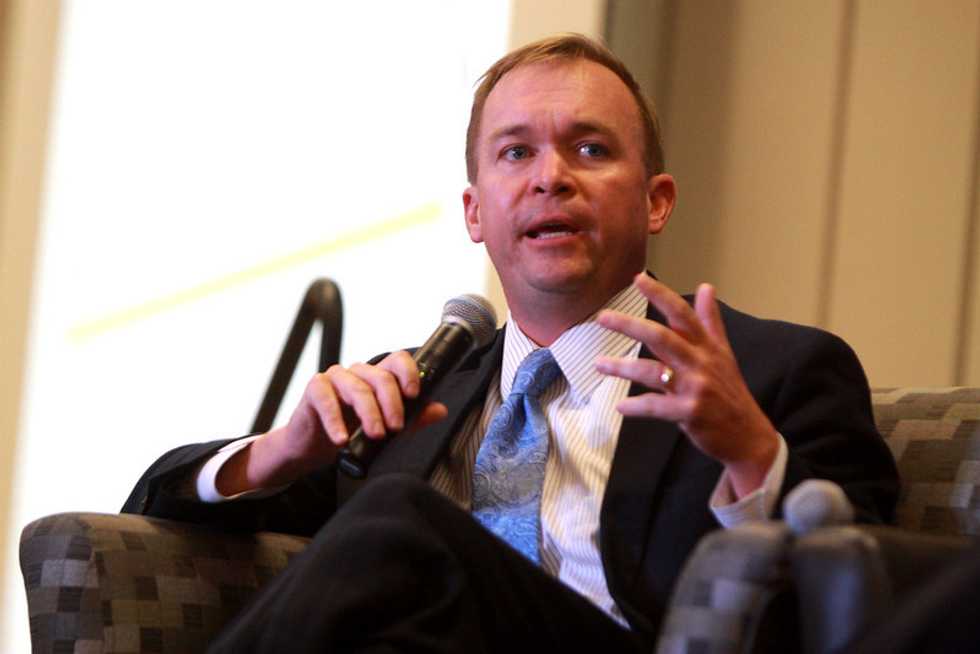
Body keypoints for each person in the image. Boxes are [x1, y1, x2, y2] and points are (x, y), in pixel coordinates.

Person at [123, 34, 899, 652]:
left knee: (400, 520)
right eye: (516, 152)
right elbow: (153, 501)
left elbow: (874, 597)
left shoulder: (772, 371)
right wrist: (280, 452)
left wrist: (750, 452)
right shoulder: (415, 393)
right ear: (474, 211)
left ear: (656, 201)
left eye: (590, 150)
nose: (550, 178)